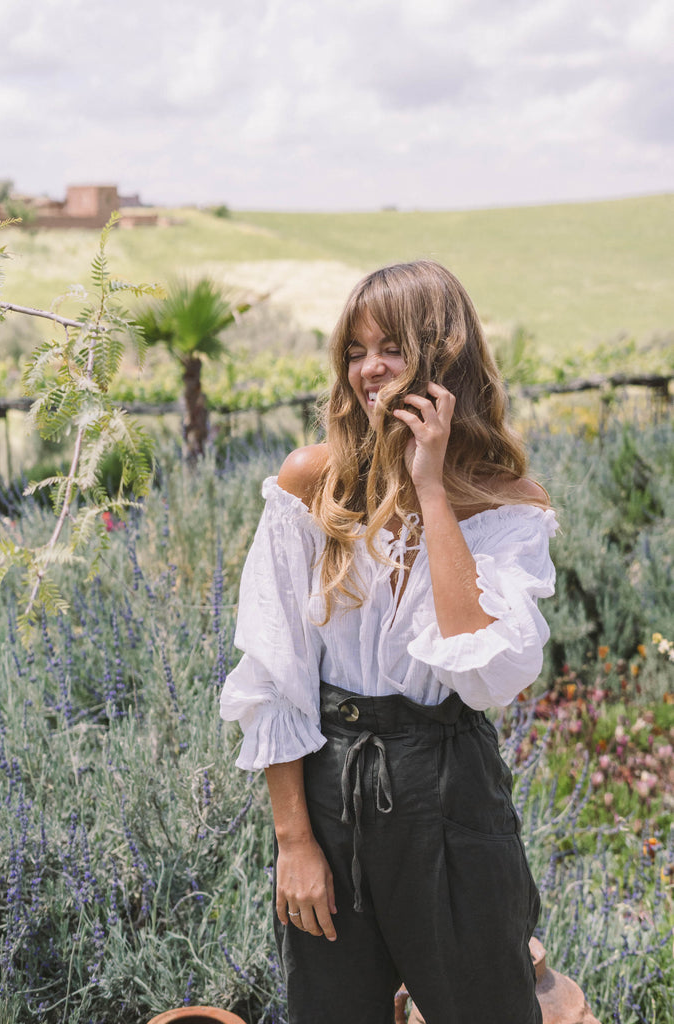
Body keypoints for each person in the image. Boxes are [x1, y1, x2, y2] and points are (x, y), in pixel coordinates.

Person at [220, 260, 557, 1024]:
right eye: (354, 349)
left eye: (392, 348)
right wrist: (294, 844)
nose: (368, 368)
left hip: (451, 790)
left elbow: (487, 673)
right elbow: (277, 678)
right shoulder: (312, 482)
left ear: (444, 356)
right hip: (331, 794)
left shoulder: (507, 503)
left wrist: (431, 486)